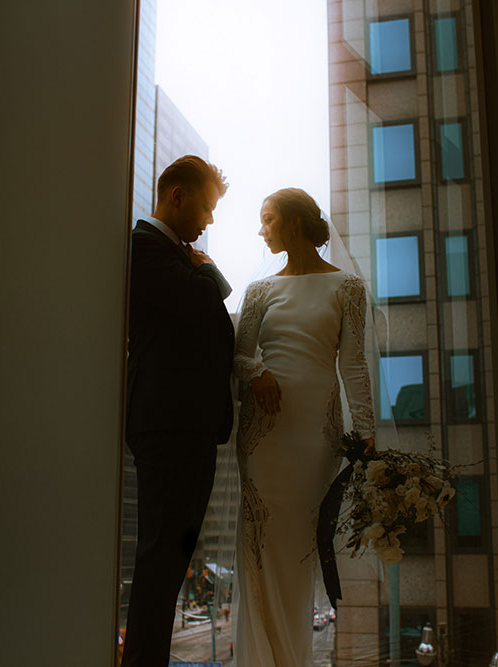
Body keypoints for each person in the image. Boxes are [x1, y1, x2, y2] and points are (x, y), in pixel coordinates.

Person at [232, 188, 375, 666]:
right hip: (264, 440)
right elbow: (237, 353)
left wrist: (368, 437)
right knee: (262, 548)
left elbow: (353, 367)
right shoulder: (259, 291)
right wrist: (257, 372)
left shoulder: (346, 288)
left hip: (316, 440)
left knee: (298, 552)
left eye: (268, 219)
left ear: (294, 225)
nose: (261, 230)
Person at [123, 155, 234, 667]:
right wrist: (210, 272)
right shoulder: (144, 248)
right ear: (177, 197)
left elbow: (212, 325)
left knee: (171, 563)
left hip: (187, 430)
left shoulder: (174, 257)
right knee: (159, 562)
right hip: (168, 429)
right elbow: (199, 309)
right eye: (207, 208)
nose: (208, 222)